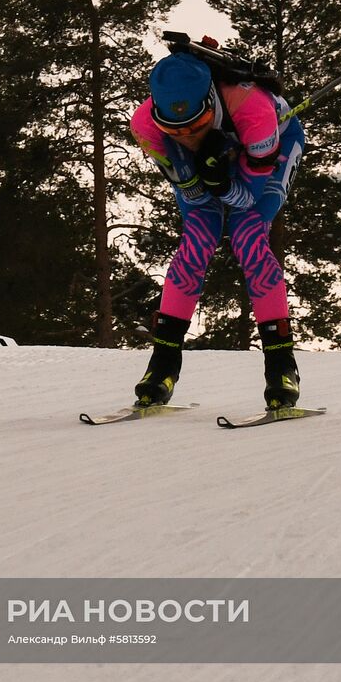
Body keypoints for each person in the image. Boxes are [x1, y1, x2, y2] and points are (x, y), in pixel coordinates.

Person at [130, 38, 305, 410]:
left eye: (195, 125)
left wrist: (223, 182)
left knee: (247, 237)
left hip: (272, 141)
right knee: (196, 240)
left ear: (210, 102)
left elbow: (247, 199)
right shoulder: (145, 125)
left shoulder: (254, 112)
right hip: (219, 157)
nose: (187, 135)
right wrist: (202, 177)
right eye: (176, 130)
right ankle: (162, 365)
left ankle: (281, 366)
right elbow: (193, 196)